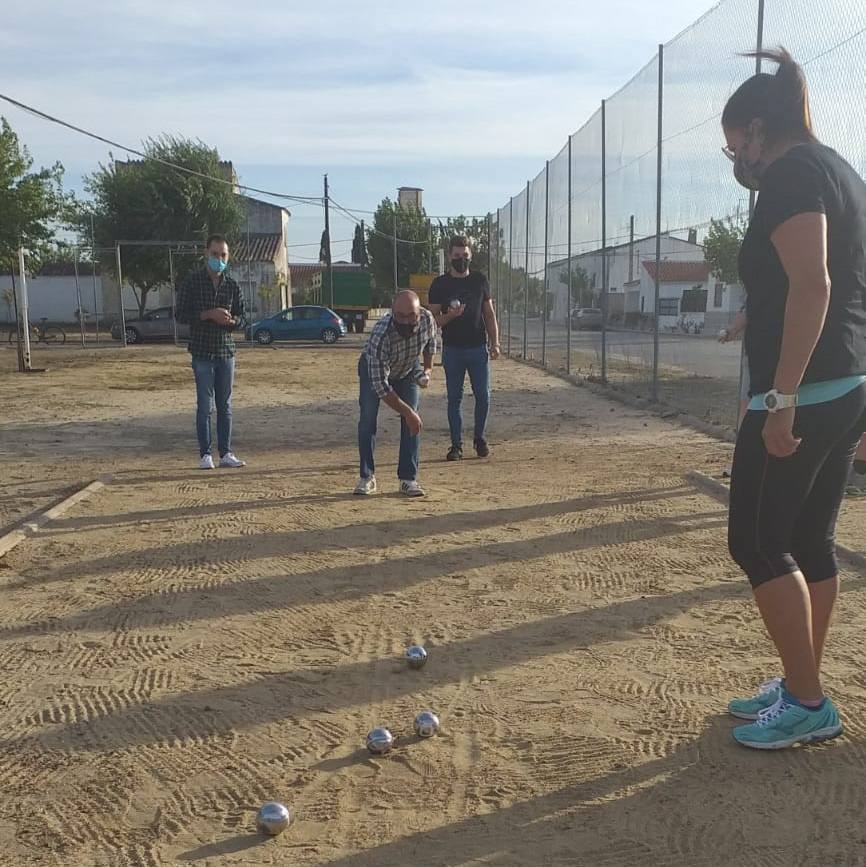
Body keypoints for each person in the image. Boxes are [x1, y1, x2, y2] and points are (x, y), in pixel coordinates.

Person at [722, 48, 866, 749]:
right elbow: (824, 277)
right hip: (845, 384)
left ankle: (808, 701)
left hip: (804, 392)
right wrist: (758, 311)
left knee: (756, 541)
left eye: (735, 146)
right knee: (809, 540)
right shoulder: (839, 168)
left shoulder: (789, 175)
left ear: (757, 129)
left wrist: (780, 399)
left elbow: (816, 284)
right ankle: (800, 678)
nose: (736, 161)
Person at [355, 290, 436, 497]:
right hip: (375, 372)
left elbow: (430, 344)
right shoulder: (381, 335)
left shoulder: (428, 319)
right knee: (368, 420)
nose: (406, 321)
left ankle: (408, 479)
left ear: (419, 313)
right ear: (392, 313)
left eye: (411, 316)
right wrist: (408, 413)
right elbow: (381, 387)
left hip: (408, 368)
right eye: (400, 316)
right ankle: (367, 477)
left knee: (412, 423)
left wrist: (427, 370)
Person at [175, 234, 247, 470]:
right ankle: (205, 454)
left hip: (226, 352)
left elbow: (244, 318)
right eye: (215, 254)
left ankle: (226, 453)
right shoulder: (192, 282)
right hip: (202, 352)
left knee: (225, 406)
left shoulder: (232, 285)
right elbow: (180, 315)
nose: (219, 259)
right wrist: (208, 314)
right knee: (205, 406)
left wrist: (231, 321)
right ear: (206, 253)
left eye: (223, 255)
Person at [428, 235, 501, 461]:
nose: (461, 259)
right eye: (457, 255)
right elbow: (431, 320)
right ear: (450, 256)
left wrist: (495, 343)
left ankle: (479, 438)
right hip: (453, 350)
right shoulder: (440, 284)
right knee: (454, 399)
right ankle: (456, 445)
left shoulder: (479, 280)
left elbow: (489, 314)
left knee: (483, 396)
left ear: (471, 255)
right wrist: (450, 316)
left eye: (465, 255)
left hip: (478, 348)